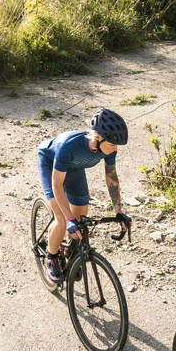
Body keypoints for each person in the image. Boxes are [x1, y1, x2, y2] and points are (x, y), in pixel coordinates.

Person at [37, 107, 128, 285]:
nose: (115, 149)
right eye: (112, 144)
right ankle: (52, 256)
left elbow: (111, 178)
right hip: (50, 165)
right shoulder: (68, 145)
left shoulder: (109, 148)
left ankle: (71, 252)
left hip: (74, 168)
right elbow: (57, 184)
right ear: (97, 137)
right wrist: (68, 217)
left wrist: (119, 211)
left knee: (80, 220)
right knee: (63, 220)